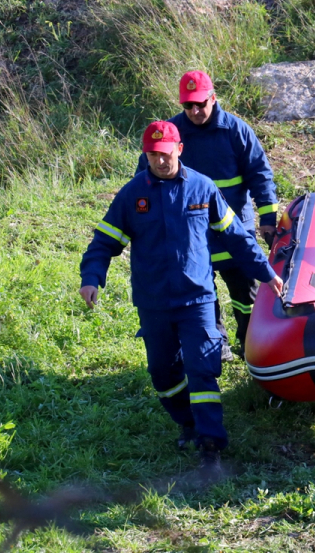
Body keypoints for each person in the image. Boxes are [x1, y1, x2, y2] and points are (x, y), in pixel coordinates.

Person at [82, 121, 283, 469]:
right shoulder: (132, 195)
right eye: (152, 155)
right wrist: (92, 278)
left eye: (165, 153)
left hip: (197, 300)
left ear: (179, 149)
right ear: (146, 155)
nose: (159, 161)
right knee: (163, 374)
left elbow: (236, 237)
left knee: (203, 370)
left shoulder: (202, 189)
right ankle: (186, 422)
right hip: (154, 302)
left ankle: (210, 446)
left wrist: (266, 274)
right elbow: (104, 242)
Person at [136, 70, 279, 362]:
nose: (195, 110)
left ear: (213, 98)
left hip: (233, 230)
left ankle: (251, 342)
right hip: (190, 234)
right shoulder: (171, 135)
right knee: (203, 295)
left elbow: (260, 174)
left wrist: (267, 219)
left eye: (201, 103)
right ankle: (218, 346)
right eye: (188, 105)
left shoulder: (236, 131)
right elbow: (145, 179)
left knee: (246, 295)